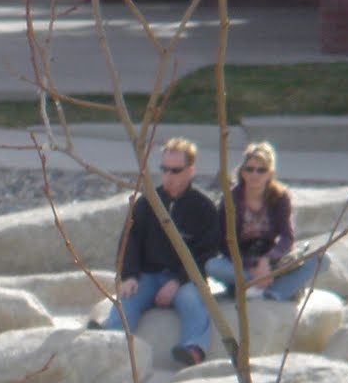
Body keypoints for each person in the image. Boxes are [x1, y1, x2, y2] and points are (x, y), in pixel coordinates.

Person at [95, 136, 221, 367]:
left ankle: (193, 348)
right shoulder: (147, 202)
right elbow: (129, 240)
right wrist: (129, 275)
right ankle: (110, 337)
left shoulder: (204, 208)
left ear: (190, 170)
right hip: (149, 276)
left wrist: (178, 281)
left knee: (193, 300)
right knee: (128, 298)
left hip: (184, 280)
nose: (168, 176)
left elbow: (207, 253)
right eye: (164, 169)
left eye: (175, 170)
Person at [205, 141, 329, 302]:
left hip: (272, 261)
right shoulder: (231, 199)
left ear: (270, 173)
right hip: (240, 262)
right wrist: (252, 264)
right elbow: (223, 241)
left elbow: (287, 237)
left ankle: (267, 293)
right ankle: (265, 287)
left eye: (261, 170)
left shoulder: (280, 196)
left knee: (322, 259)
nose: (254, 175)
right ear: (242, 172)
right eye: (249, 169)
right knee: (212, 266)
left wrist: (267, 261)